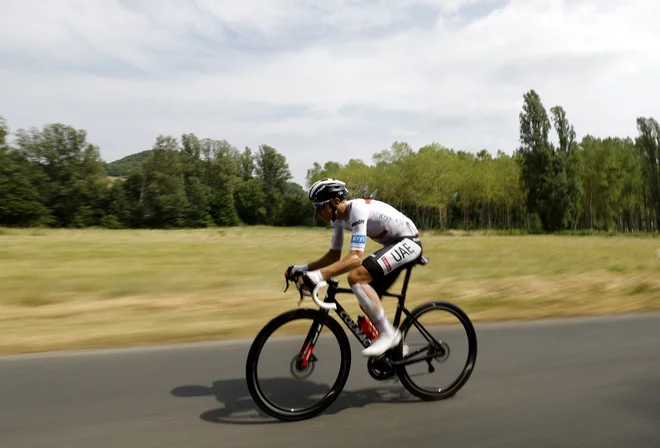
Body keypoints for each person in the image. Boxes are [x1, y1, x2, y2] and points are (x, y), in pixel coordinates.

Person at [287, 178, 423, 357]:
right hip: (392, 244)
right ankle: (397, 351)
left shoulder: (357, 211)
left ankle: (389, 335)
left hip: (408, 242)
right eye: (315, 206)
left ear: (335, 202)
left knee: (356, 277)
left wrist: (318, 277)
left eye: (319, 206)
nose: (316, 211)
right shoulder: (337, 219)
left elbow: (356, 258)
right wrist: (303, 268)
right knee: (365, 299)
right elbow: (334, 255)